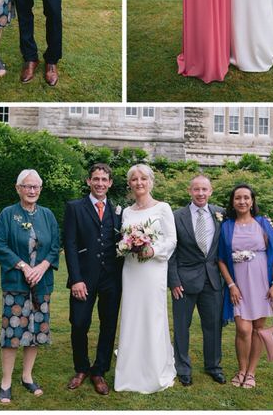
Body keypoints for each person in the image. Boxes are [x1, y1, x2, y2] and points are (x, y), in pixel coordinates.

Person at [0, 169, 60, 404]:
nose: (32, 191)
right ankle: (6, 382)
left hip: (42, 283)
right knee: (13, 333)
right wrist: (23, 266)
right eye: (27, 186)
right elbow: (0, 244)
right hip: (16, 284)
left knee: (36, 331)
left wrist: (41, 268)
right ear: (18, 188)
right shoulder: (8, 214)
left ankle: (27, 376)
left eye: (36, 187)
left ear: (40, 189)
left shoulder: (48, 215)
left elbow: (55, 246)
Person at [114, 164, 178, 393]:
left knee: (153, 316)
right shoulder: (127, 212)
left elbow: (172, 240)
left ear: (151, 181)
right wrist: (125, 245)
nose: (139, 182)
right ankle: (129, 371)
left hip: (153, 269)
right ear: (129, 183)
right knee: (132, 315)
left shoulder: (163, 208)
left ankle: (154, 370)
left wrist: (153, 250)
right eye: (134, 179)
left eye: (143, 178)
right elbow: (122, 239)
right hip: (131, 270)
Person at [63, 163, 122, 395]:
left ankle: (99, 371)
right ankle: (81, 368)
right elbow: (70, 244)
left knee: (108, 325)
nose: (100, 183)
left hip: (111, 278)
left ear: (110, 183)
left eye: (104, 179)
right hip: (83, 278)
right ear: (88, 181)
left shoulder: (118, 211)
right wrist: (76, 279)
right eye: (95, 179)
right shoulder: (74, 207)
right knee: (79, 323)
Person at [218, 184, 273, 390]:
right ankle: (241, 369)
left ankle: (251, 372)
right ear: (232, 201)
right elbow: (220, 259)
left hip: (263, 284)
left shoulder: (263, 223)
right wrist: (231, 285)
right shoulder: (227, 226)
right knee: (243, 329)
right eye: (238, 198)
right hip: (239, 286)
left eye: (246, 197)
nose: (242, 201)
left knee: (257, 329)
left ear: (252, 201)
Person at [167, 175, 226, 386]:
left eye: (204, 189)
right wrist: (173, 281)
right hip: (183, 281)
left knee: (213, 326)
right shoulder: (176, 216)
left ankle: (214, 366)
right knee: (182, 326)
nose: (200, 193)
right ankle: (182, 368)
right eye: (196, 189)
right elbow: (170, 252)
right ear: (189, 191)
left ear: (211, 191)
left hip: (212, 280)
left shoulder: (221, 213)